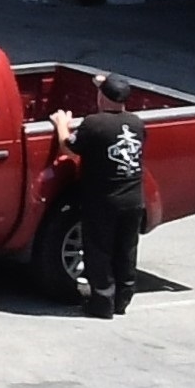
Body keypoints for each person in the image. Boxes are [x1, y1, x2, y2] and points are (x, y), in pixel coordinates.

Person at [61, 98, 148, 318]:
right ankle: (122, 300)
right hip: (134, 199)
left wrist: (61, 123)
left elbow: (68, 146)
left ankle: (101, 303)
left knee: (99, 251)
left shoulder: (94, 123)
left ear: (102, 98)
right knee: (126, 250)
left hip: (104, 201)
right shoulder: (137, 123)